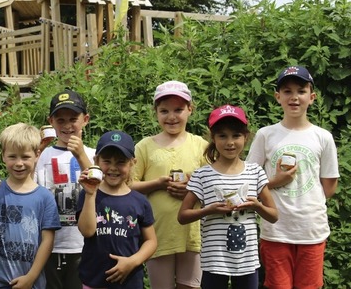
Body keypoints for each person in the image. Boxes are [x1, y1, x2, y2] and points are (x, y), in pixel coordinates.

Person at [246, 66, 339, 289]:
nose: (294, 97)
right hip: (275, 230)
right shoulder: (265, 135)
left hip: (311, 230)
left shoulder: (323, 137)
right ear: (277, 97)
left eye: (301, 91)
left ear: (312, 97)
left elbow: (329, 186)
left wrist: (306, 205)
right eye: (287, 91)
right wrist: (275, 182)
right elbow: (248, 179)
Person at [178, 105, 278, 289]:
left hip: (247, 261)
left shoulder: (255, 172)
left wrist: (257, 206)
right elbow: (182, 216)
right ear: (213, 138)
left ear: (246, 137)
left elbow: (273, 215)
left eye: (236, 135)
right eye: (222, 136)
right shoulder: (202, 175)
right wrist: (208, 210)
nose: (230, 142)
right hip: (213, 259)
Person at [130, 80, 206, 289]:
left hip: (193, 234)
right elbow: (128, 186)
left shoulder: (200, 145)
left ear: (190, 109)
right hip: (157, 234)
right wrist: (157, 183)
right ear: (155, 112)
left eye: (178, 110)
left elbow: (215, 185)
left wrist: (192, 190)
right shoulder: (145, 147)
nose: (171, 117)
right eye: (164, 111)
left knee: (191, 286)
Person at [0, 123, 61, 289]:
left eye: (25, 157)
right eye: (12, 157)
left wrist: (31, 277)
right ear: (3, 156)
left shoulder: (45, 197)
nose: (19, 163)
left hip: (32, 282)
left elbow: (47, 241)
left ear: (37, 154)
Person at [77, 130, 158, 289]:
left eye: (121, 162)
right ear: (96, 161)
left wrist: (133, 261)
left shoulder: (140, 201)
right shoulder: (88, 194)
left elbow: (151, 241)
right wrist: (90, 194)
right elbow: (87, 231)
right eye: (107, 161)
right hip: (94, 280)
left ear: (132, 163)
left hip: (130, 281)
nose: (113, 168)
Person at [34, 89, 94, 289]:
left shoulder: (94, 155)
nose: (67, 126)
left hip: (84, 245)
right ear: (51, 121)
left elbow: (99, 188)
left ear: (85, 119)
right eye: (60, 120)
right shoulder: (43, 156)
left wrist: (80, 156)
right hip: (50, 245)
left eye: (73, 119)